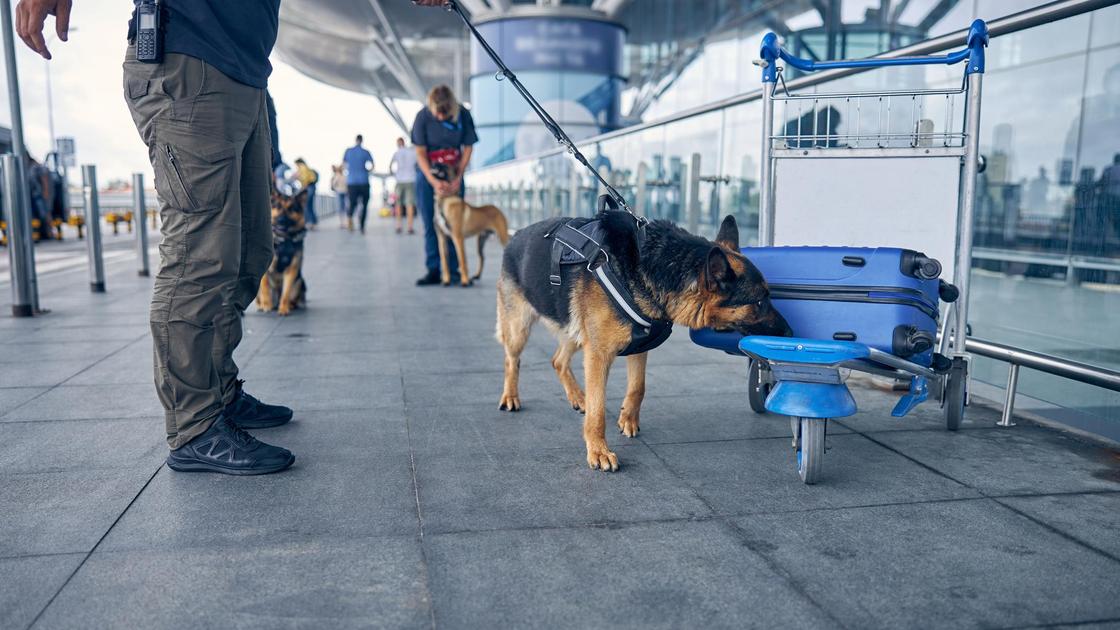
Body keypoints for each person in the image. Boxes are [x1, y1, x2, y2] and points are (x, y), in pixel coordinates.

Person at [18, 0, 297, 474]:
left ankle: (220, 392)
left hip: (244, 72)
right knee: (199, 256)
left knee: (251, 250)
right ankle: (195, 426)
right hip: (188, 60)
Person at [411, 84, 478, 285]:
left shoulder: (463, 114)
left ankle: (455, 270)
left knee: (455, 225)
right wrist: (433, 182)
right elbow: (420, 152)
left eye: (445, 113)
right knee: (431, 222)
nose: (441, 117)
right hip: (428, 176)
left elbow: (468, 147)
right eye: (437, 113)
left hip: (454, 173)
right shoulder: (422, 117)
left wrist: (458, 176)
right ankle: (434, 269)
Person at [342, 134, 374, 234]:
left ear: (355, 140)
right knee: (364, 204)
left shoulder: (348, 151)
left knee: (352, 203)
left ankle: (350, 219)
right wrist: (366, 170)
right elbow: (372, 165)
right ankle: (362, 226)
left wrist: (350, 171)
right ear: (362, 141)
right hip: (364, 181)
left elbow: (343, 165)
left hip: (352, 182)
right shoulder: (366, 152)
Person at [389, 137, 417, 235]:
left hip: (399, 180)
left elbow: (390, 167)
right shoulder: (412, 152)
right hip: (411, 179)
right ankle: (410, 227)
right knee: (410, 204)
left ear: (398, 144)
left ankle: (399, 225)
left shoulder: (396, 153)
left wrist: (395, 174)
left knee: (398, 204)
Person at [294, 158, 319, 228]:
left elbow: (305, 179)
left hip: (308, 187)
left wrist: (298, 179)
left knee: (306, 205)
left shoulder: (302, 167)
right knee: (310, 205)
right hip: (312, 187)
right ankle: (313, 221)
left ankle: (309, 222)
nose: (296, 166)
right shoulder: (306, 168)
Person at [330, 164, 348, 229]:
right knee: (345, 207)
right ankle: (345, 222)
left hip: (339, 192)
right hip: (345, 192)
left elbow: (333, 185)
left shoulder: (336, 176)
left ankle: (342, 223)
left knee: (341, 208)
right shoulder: (344, 176)